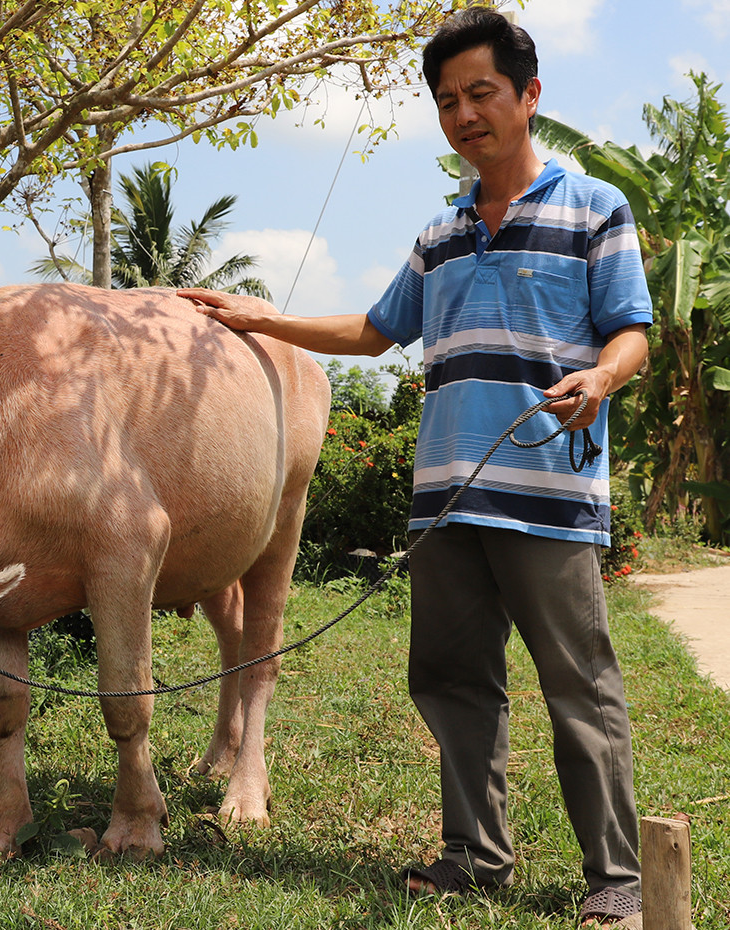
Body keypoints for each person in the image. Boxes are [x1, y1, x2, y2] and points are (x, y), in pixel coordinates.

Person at [180, 7, 650, 928]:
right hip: (442, 499)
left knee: (577, 684)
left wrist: (600, 373)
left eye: (480, 93)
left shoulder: (593, 207)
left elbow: (631, 328)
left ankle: (615, 878)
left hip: (546, 495)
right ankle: (473, 856)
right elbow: (374, 328)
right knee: (448, 676)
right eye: (446, 101)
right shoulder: (438, 232)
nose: (463, 114)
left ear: (528, 96)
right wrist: (260, 319)